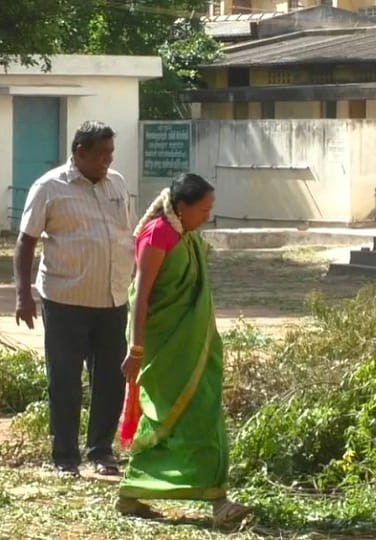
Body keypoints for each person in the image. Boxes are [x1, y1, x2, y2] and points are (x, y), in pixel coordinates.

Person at [116, 174, 253, 526]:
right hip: (164, 349)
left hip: (192, 346)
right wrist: (136, 349)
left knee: (198, 414)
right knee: (184, 418)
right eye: (204, 209)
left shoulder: (186, 236)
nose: (208, 215)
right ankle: (217, 502)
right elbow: (141, 296)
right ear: (182, 207)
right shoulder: (157, 235)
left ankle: (134, 492)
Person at [14, 121, 134, 478]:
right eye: (100, 155)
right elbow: (26, 242)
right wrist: (23, 295)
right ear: (79, 152)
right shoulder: (49, 187)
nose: (107, 161)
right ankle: (65, 457)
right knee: (65, 380)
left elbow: (125, 235)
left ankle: (101, 451)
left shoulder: (118, 184)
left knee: (111, 379)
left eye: (110, 154)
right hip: (66, 299)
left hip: (113, 299)